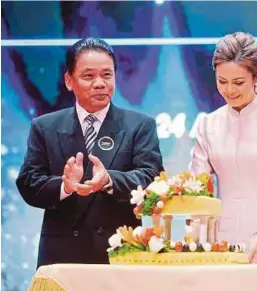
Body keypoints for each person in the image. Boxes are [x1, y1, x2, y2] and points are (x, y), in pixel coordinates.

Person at [16, 37, 164, 268]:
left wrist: (109, 179)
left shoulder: (140, 126)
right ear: (69, 80)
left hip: (120, 255)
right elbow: (29, 184)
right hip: (62, 258)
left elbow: (152, 179)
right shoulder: (45, 127)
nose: (100, 83)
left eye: (107, 75)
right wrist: (65, 186)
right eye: (88, 76)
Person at [190, 32, 257, 264]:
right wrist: (193, 239)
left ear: (256, 78)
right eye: (222, 81)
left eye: (238, 82)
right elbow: (198, 189)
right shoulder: (208, 124)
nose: (230, 90)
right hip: (222, 240)